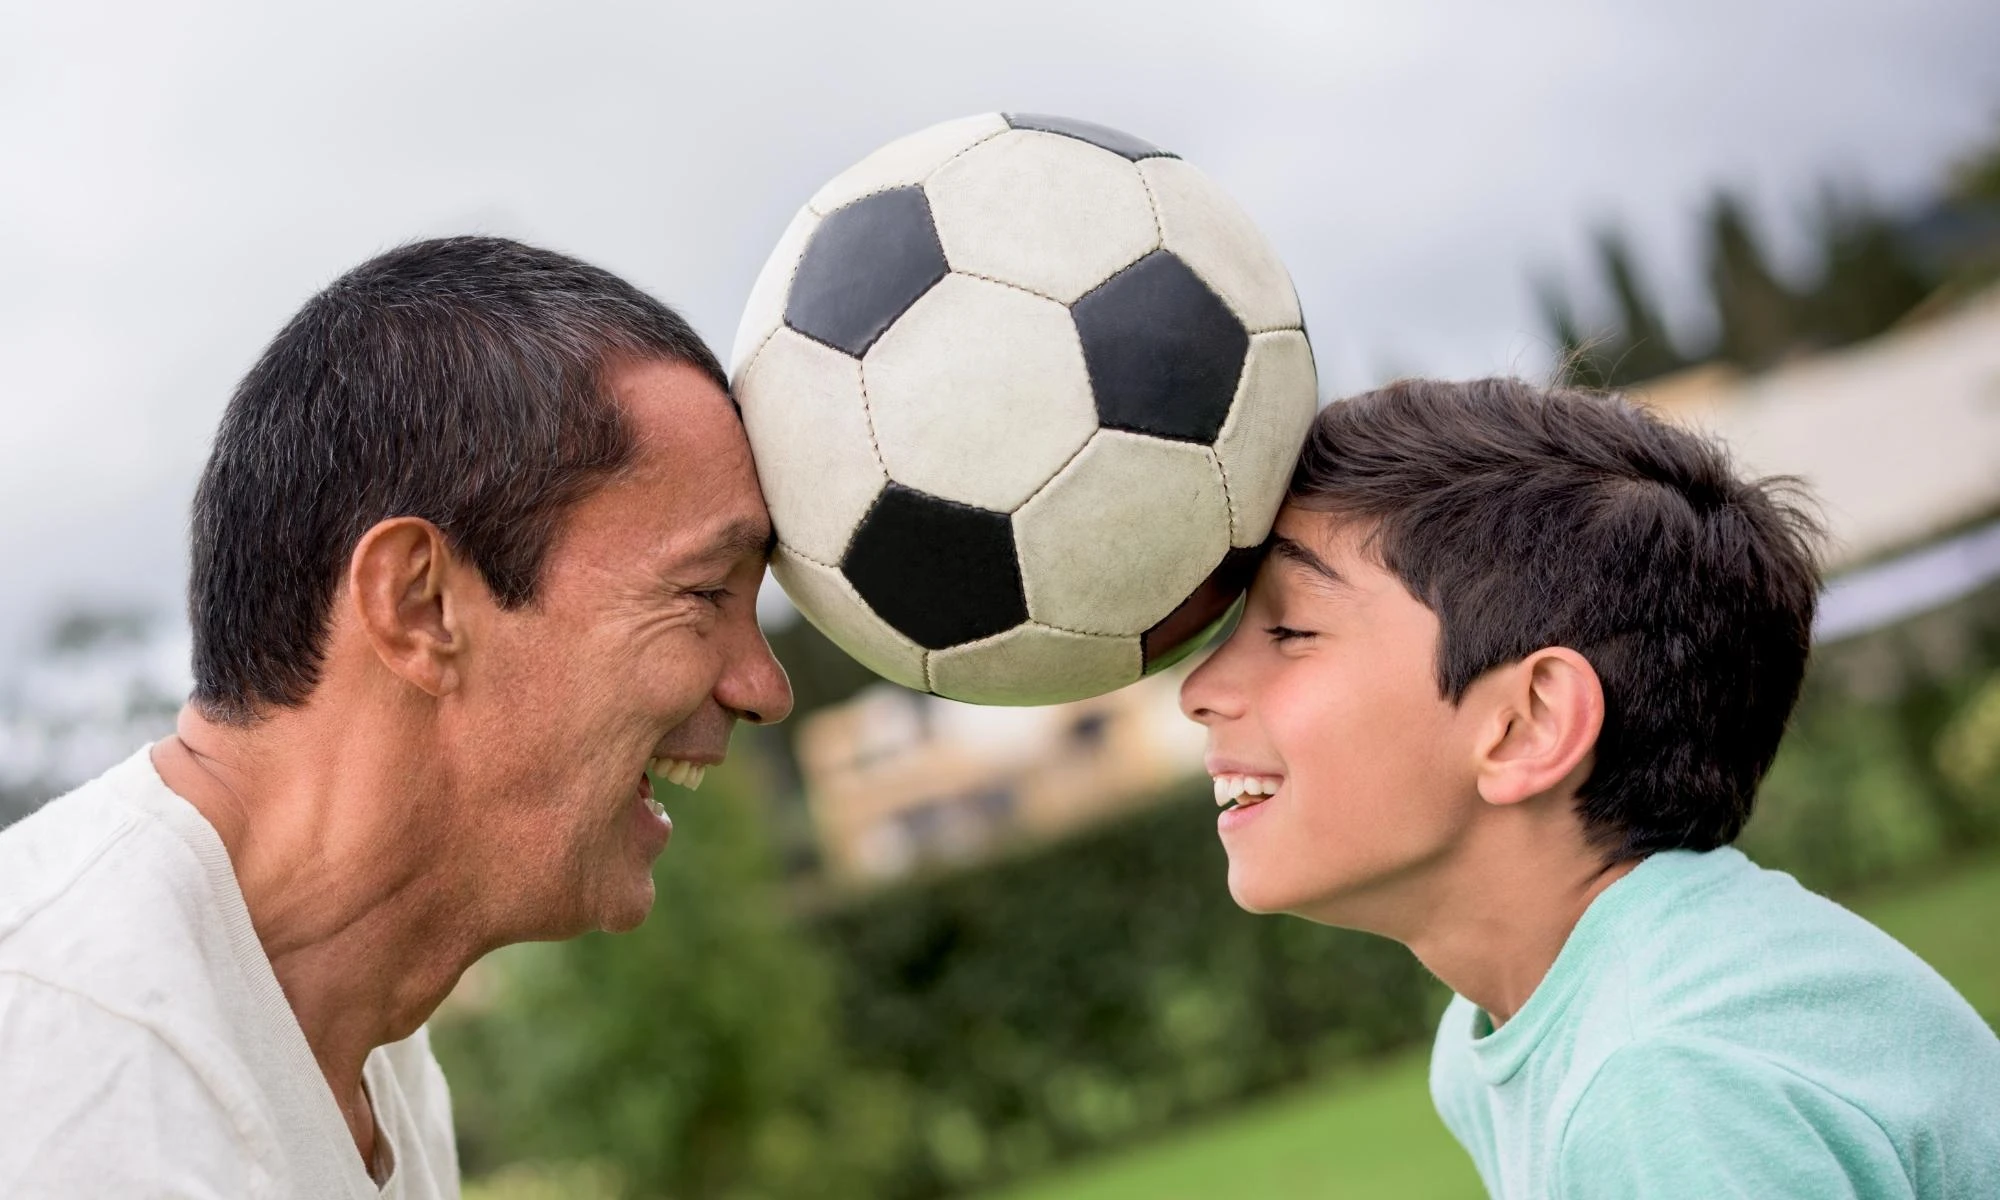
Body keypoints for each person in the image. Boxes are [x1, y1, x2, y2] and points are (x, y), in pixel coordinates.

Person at [0, 236, 793, 1197]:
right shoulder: (76, 1053)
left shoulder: (372, 1056)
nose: (764, 688)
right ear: (419, 606)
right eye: (705, 592)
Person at [1180, 377, 2000, 1198]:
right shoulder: (1522, 1035)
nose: (1199, 689)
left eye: (1290, 629)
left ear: (1527, 724)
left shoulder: (1666, 1078)